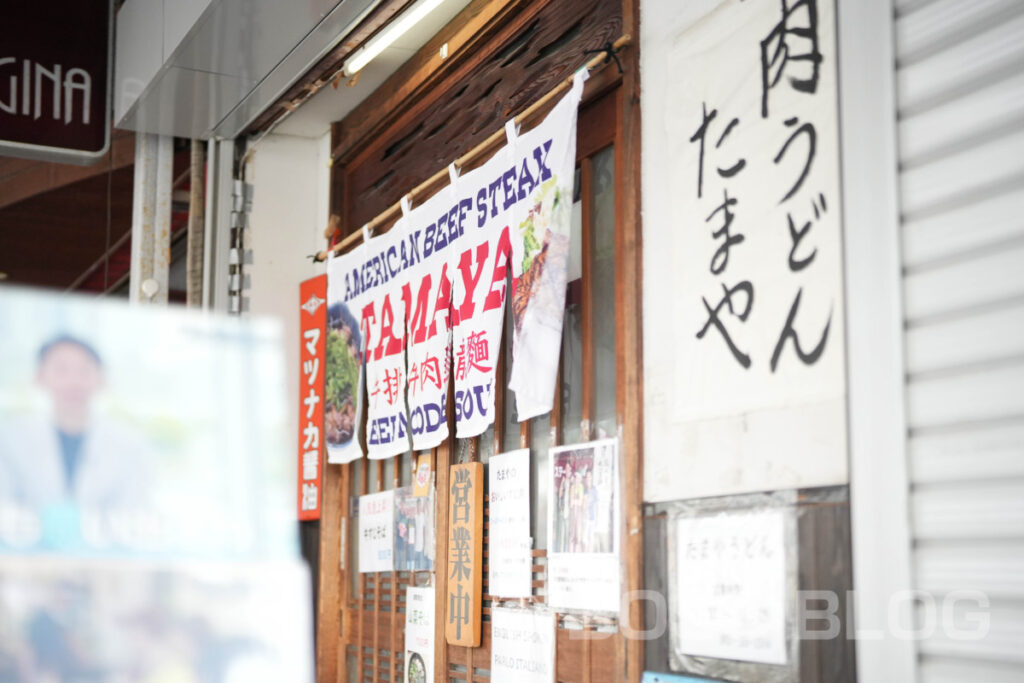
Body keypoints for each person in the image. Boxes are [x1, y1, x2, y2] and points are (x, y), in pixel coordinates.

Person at [0, 335, 151, 547]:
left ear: (101, 380)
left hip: (104, 565)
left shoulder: (130, 444)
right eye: (61, 370)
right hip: (25, 566)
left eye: (84, 371)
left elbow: (136, 515)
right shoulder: (10, 439)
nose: (74, 381)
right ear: (39, 377)